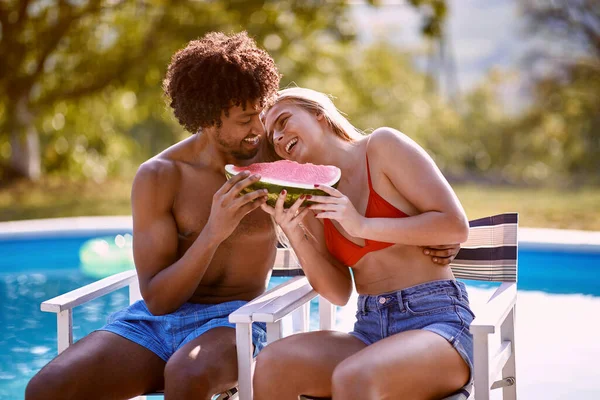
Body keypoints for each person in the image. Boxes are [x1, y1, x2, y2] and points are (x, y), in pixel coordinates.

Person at [25, 32, 459, 400]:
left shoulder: (278, 154)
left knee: (187, 373)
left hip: (236, 320)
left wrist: (412, 230)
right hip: (155, 321)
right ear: (208, 120)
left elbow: (335, 152)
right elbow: (157, 299)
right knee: (44, 390)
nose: (261, 130)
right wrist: (214, 231)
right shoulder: (160, 176)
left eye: (265, 114)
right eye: (246, 119)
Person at [254, 87, 475, 400]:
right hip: (370, 329)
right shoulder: (313, 195)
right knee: (271, 364)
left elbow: (454, 226)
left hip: (438, 324)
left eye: (283, 121)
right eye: (271, 136)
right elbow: (338, 292)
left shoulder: (383, 147)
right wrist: (294, 232)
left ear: (319, 115)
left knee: (353, 377)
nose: (277, 137)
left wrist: (361, 224)